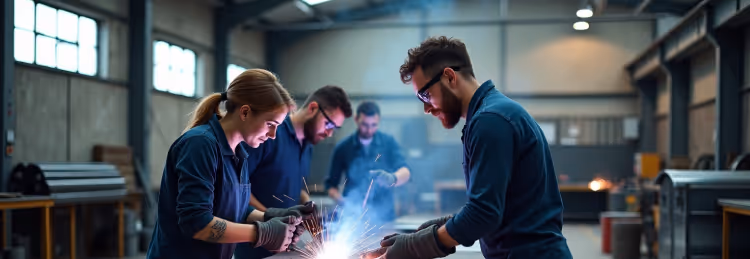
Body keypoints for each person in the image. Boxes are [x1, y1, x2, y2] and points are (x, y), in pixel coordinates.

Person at [368, 36, 573, 259]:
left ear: (449, 77)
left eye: (425, 95)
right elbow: (497, 207)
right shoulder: (493, 114)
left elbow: (483, 214)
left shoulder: (490, 121)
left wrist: (415, 247)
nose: (426, 108)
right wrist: (434, 229)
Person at [147, 69, 317, 259]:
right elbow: (197, 223)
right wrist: (261, 233)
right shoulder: (200, 145)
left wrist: (273, 216)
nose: (273, 135)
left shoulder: (239, 154)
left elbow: (236, 209)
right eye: (270, 124)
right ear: (245, 112)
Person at [234, 85, 353, 258]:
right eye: (328, 124)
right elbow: (238, 189)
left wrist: (309, 210)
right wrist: (272, 220)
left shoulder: (308, 146)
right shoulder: (268, 134)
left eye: (334, 129)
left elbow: (294, 187)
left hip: (284, 250)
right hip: (253, 249)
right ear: (313, 108)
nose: (328, 133)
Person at [324, 101, 410, 226]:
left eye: (374, 125)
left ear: (379, 120)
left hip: (385, 217)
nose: (369, 130)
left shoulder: (388, 143)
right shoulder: (343, 147)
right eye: (364, 124)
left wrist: (392, 178)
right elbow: (331, 185)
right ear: (356, 119)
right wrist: (344, 201)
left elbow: (405, 171)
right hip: (353, 217)